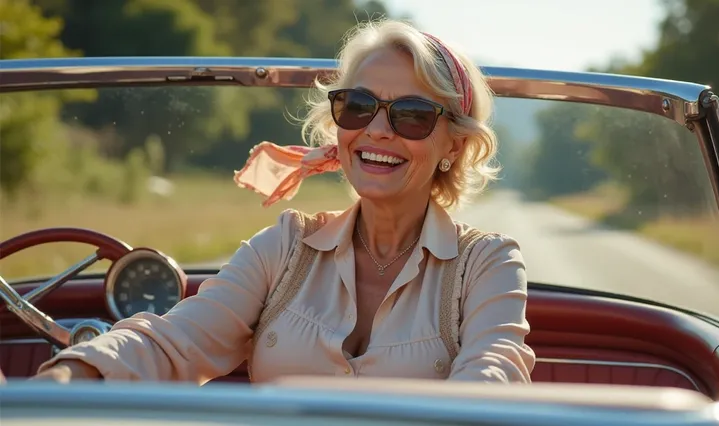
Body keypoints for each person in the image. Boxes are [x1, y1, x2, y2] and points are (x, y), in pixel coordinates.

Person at [32, 19, 535, 384]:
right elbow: (175, 340)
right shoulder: (284, 247)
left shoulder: (487, 263)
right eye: (357, 107)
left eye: (412, 115)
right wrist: (71, 375)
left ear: (455, 144)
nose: (377, 131)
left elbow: (493, 378)